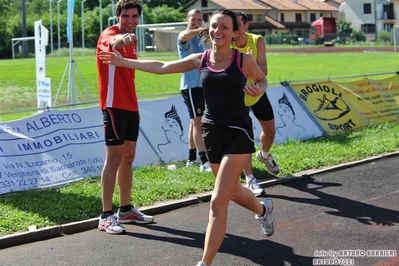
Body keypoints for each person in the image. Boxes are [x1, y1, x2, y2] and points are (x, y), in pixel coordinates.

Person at [99, 8, 276, 265]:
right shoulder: (200, 59)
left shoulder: (243, 61)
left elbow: (262, 80)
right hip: (211, 133)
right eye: (214, 26)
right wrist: (124, 62)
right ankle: (263, 209)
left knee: (217, 202)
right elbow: (161, 66)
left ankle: (204, 262)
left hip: (238, 133)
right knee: (233, 191)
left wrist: (255, 88)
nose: (218, 31)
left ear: (236, 32)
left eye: (225, 27)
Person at [95, 0, 154, 235]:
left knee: (128, 157)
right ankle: (105, 216)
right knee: (114, 159)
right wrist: (122, 39)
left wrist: (129, 39)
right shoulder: (110, 33)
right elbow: (113, 42)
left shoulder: (134, 38)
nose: (131, 20)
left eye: (135, 16)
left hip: (131, 106)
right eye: (126, 15)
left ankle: (126, 210)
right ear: (117, 15)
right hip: (113, 105)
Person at [231, 10, 280, 197]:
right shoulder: (227, 43)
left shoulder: (257, 40)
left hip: (257, 93)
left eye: (238, 24)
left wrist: (252, 65)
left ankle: (265, 155)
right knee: (245, 139)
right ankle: (250, 179)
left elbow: (264, 69)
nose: (235, 29)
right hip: (237, 97)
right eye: (232, 25)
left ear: (246, 25)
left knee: (270, 131)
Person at [177, 9, 211, 172]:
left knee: (194, 122)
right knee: (199, 123)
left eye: (199, 19)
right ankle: (204, 161)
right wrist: (203, 28)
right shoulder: (184, 36)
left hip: (202, 85)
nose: (196, 21)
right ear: (187, 19)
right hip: (190, 86)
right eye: (193, 19)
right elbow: (184, 36)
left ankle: (192, 158)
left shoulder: (201, 38)